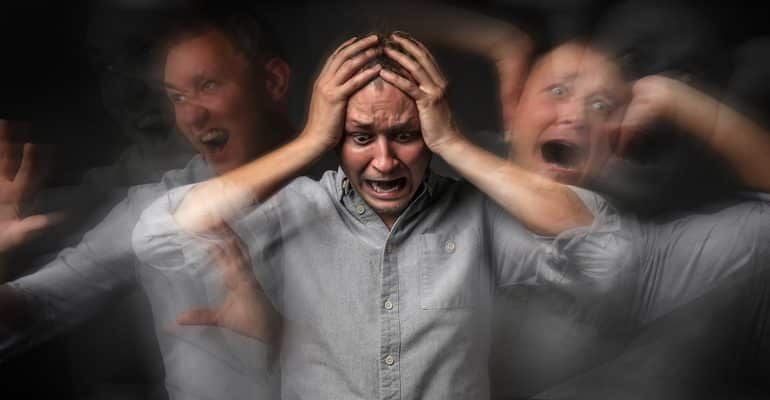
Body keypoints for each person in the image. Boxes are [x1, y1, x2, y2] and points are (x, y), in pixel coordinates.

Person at [133, 32, 627, 399]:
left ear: (431, 132)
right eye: (362, 137)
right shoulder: (297, 209)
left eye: (407, 135)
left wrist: (453, 142)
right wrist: (309, 142)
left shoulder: (479, 218)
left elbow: (604, 245)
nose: (385, 161)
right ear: (336, 137)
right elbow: (157, 234)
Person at [0, 7, 294, 399]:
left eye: (208, 85)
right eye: (177, 97)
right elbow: (35, 307)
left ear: (273, 81)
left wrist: (282, 338)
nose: (191, 114)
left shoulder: (361, 191)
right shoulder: (152, 212)